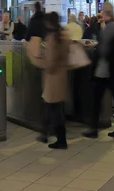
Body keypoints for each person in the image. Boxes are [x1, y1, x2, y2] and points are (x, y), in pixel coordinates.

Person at [83, 4, 114, 139]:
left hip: (104, 70)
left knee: (96, 99)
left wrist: (96, 49)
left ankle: (93, 129)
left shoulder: (108, 28)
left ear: (105, 14)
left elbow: (103, 49)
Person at [33, 12, 71, 149]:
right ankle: (46, 133)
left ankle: (61, 139)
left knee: (54, 109)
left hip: (52, 77)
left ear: (49, 23)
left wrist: (38, 62)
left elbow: (49, 62)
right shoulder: (64, 35)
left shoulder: (52, 38)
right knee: (55, 107)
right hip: (62, 75)